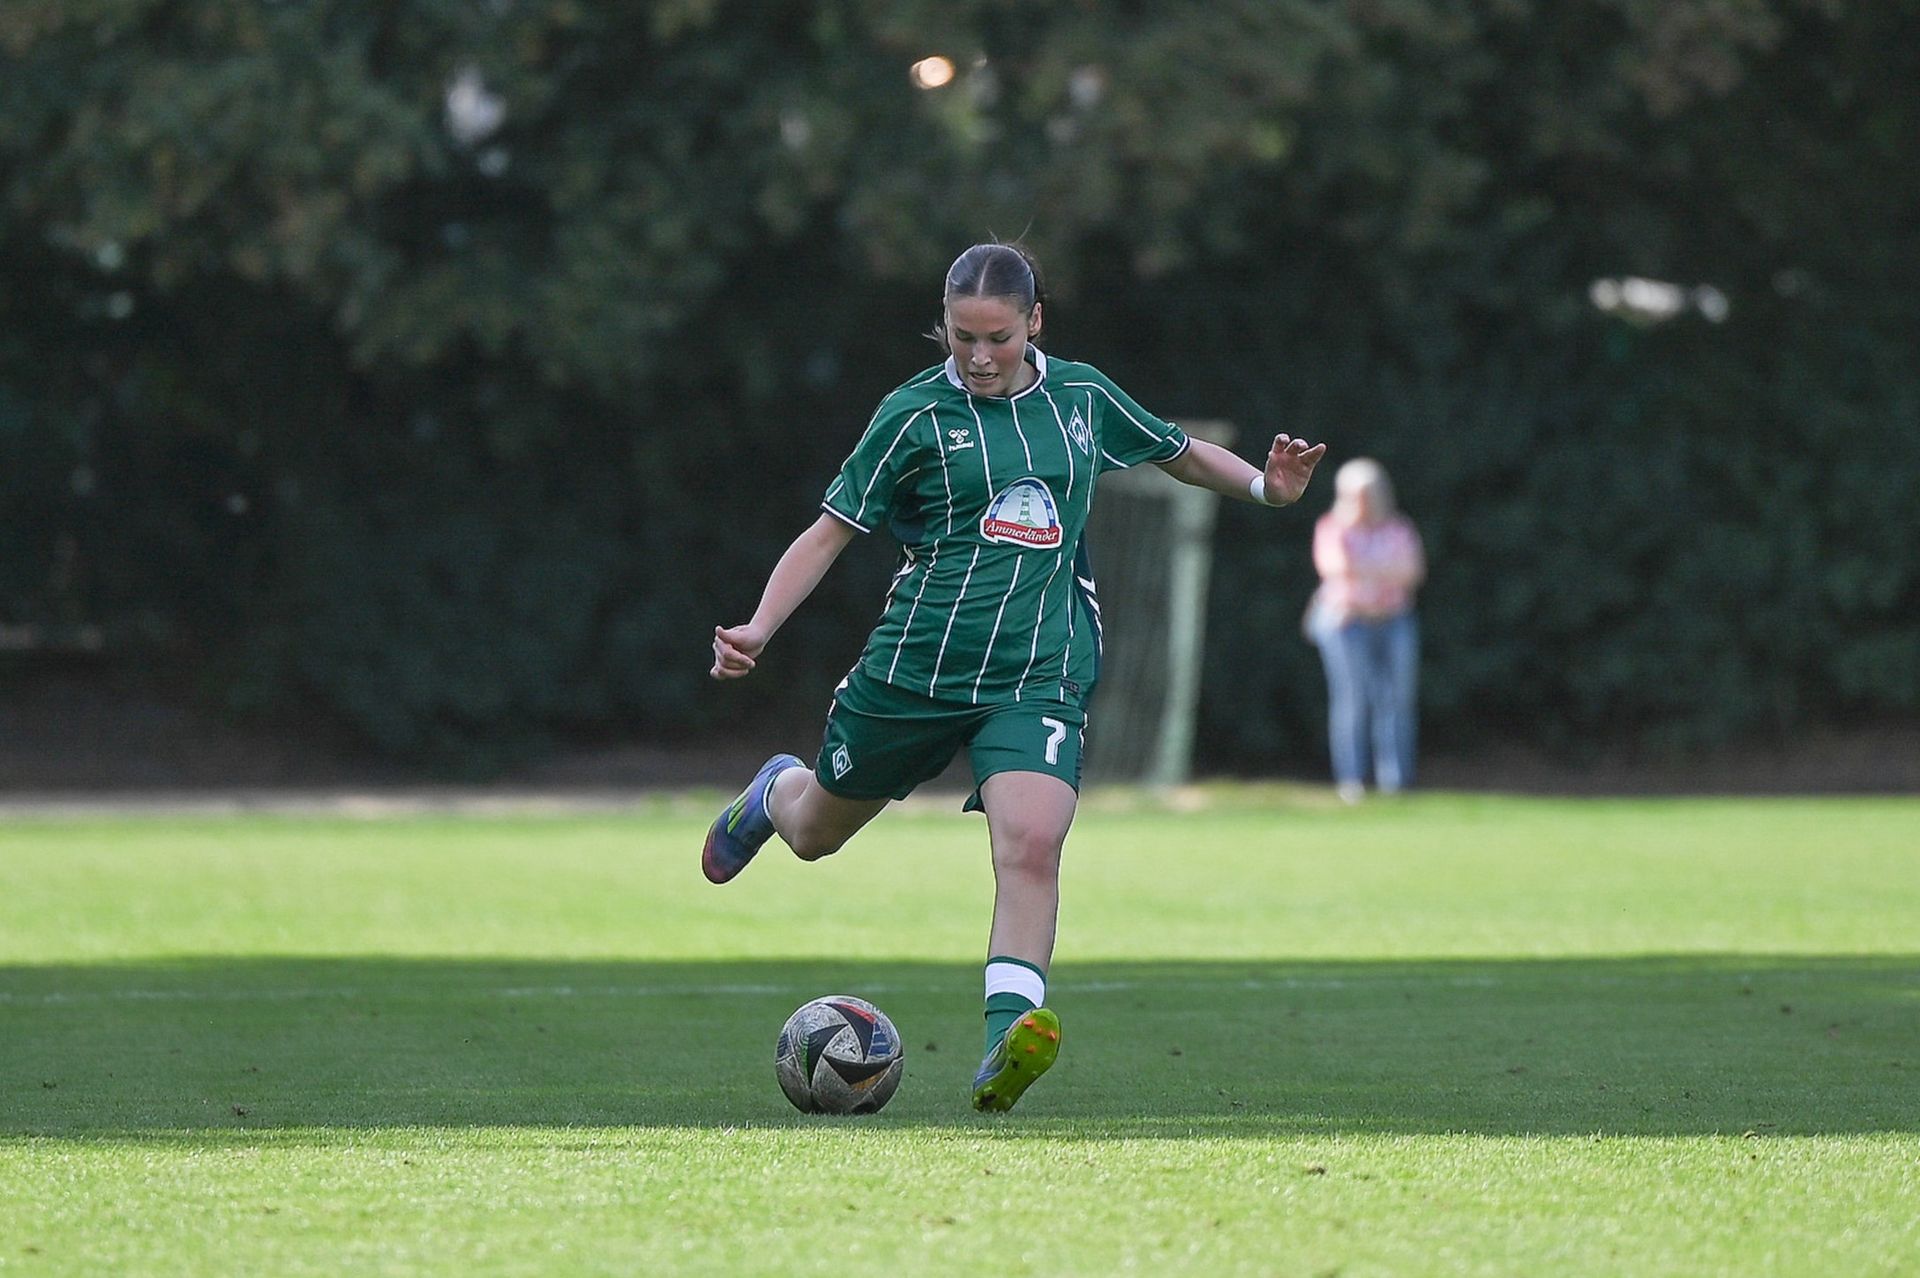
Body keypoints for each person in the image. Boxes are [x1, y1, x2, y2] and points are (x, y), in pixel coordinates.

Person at [705, 241, 1326, 1112]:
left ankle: (1007, 1040)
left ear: (1035, 322)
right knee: (816, 835)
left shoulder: (1082, 396)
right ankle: (775, 791)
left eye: (997, 337)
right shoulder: (913, 415)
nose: (979, 356)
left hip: (1040, 671)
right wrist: (759, 628)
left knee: (1032, 841)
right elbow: (830, 531)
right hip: (916, 671)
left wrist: (1268, 488)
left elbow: (1178, 451)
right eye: (962, 337)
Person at [1307, 458, 1425, 804]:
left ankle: (1395, 783)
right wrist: (1384, 568)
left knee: (1396, 700)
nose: (1362, 502)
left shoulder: (1399, 528)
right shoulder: (1332, 527)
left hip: (1393, 620)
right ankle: (1352, 781)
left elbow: (1411, 572)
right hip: (1347, 624)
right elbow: (1336, 568)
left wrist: (1364, 568)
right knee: (1352, 701)